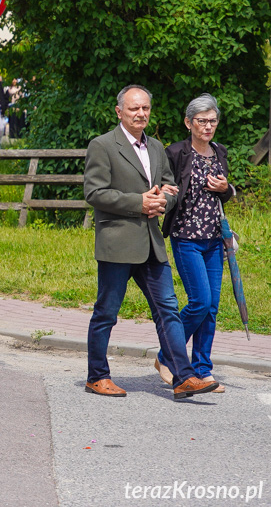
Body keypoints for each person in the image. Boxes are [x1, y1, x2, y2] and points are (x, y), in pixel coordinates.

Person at [83, 84, 219, 399]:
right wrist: (139, 202)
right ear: (119, 112)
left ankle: (183, 377)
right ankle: (97, 375)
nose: (141, 114)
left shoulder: (157, 147)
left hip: (151, 243)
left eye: (145, 108)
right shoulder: (103, 145)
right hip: (117, 243)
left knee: (168, 310)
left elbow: (171, 186)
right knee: (107, 311)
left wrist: (162, 202)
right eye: (134, 109)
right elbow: (95, 192)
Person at [159, 93, 234, 393]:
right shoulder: (175, 152)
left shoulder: (219, 152)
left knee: (212, 307)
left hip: (214, 240)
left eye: (212, 121)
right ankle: (167, 355)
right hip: (186, 238)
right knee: (200, 301)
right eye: (202, 121)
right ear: (188, 123)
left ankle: (202, 371)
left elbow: (226, 193)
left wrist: (225, 189)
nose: (208, 127)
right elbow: (164, 186)